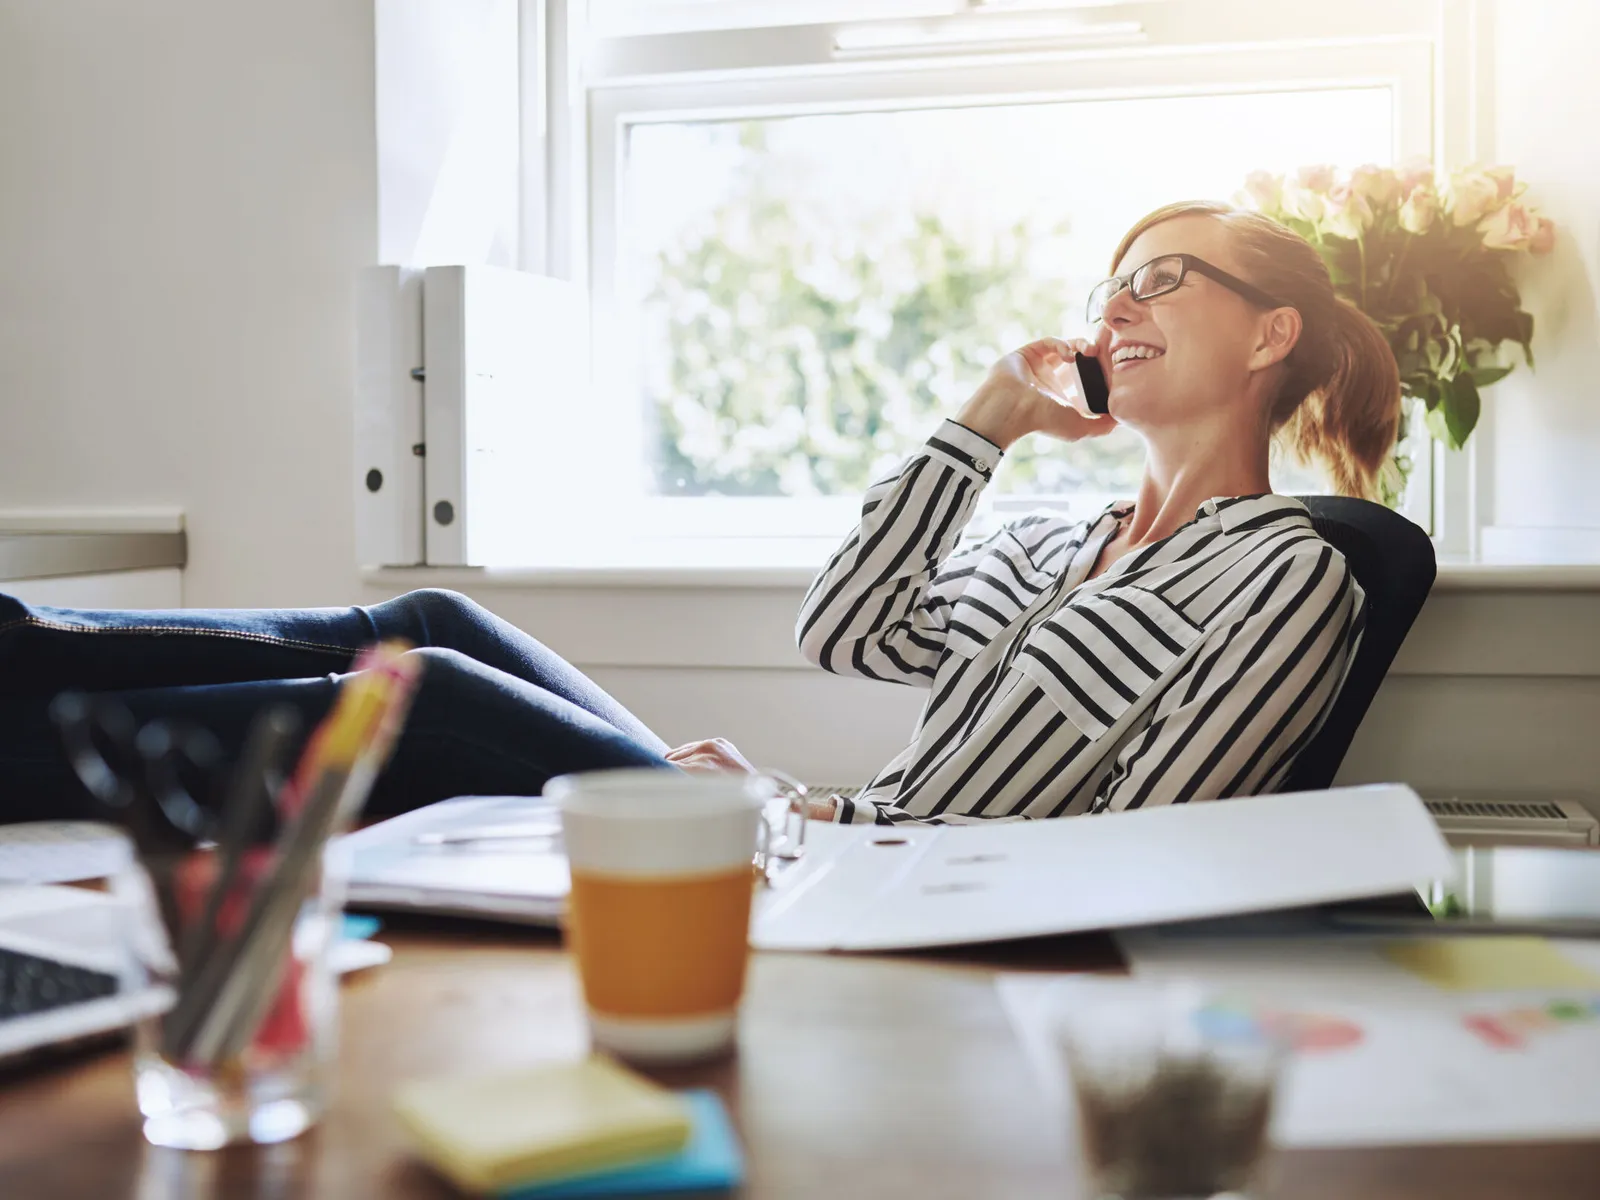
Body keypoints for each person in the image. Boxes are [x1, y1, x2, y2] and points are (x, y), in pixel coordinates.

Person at [0, 200, 1397, 826]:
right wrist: (982, 426)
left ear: (1272, 333)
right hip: (812, 830)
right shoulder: (1055, 539)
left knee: (425, 690)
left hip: (870, 882)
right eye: (1110, 283)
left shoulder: (1286, 576)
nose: (1115, 306)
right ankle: (23, 644)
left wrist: (804, 816)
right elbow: (844, 632)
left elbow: (1150, 850)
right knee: (436, 618)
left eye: (1163, 280)